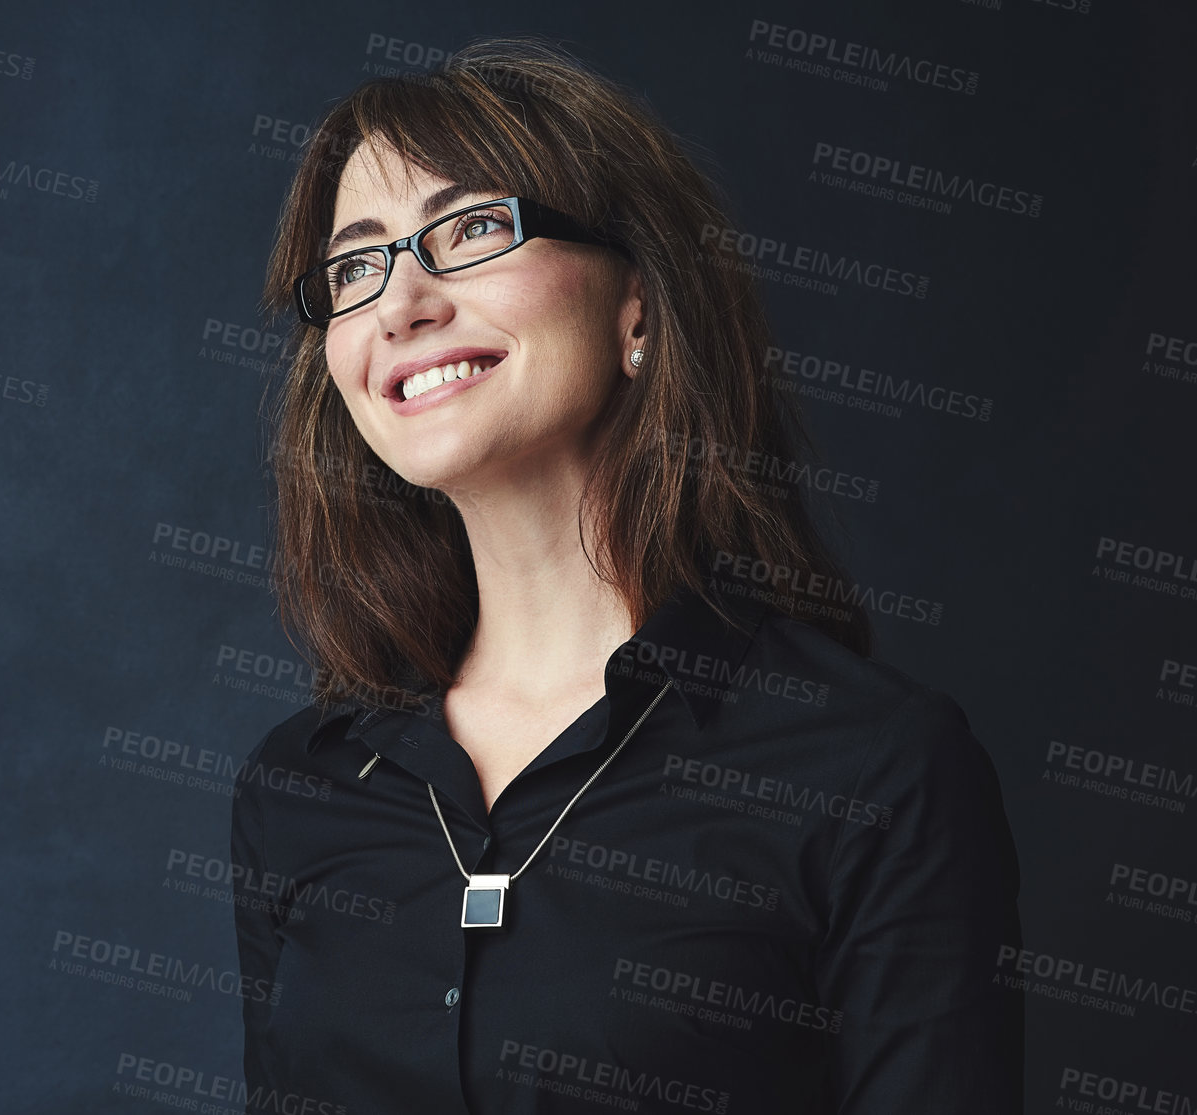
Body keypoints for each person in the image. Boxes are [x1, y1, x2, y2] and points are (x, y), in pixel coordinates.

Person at [230, 36, 1023, 1115]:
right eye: (355, 263)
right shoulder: (300, 789)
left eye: (470, 229)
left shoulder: (871, 771)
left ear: (637, 306)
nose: (399, 301)